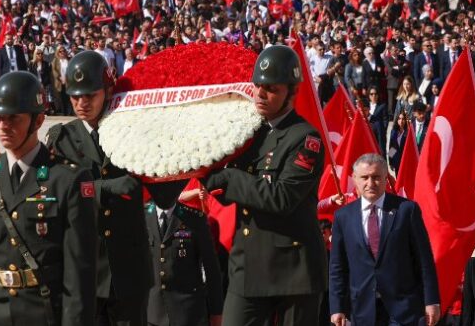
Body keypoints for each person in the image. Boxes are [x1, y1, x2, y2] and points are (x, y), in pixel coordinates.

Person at [0, 71, 97, 325]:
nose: (3, 126)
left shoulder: (67, 180)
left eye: (14, 118)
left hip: (43, 313)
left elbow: (80, 275)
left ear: (38, 120)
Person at [202, 45, 327, 326]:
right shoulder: (247, 132)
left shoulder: (306, 138)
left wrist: (229, 178)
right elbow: (221, 188)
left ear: (291, 92)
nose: (260, 94)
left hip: (293, 271)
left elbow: (281, 198)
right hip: (247, 264)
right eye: (258, 86)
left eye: (271, 88)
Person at [45, 51, 151, 326]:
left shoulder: (133, 131)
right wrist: (105, 188)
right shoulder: (62, 138)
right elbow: (55, 195)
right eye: (75, 96)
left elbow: (146, 183)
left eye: (90, 95)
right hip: (85, 271)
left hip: (128, 268)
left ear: (108, 90)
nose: (81, 103)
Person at [329, 153, 440, 326]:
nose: (370, 183)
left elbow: (424, 260)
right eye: (365, 177)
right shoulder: (343, 216)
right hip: (362, 309)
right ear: (355, 179)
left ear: (386, 178)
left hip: (403, 308)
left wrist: (431, 301)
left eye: (376, 177)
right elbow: (337, 266)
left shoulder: (406, 210)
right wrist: (337, 307)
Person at [144, 182, 224, 326]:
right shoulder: (141, 217)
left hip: (188, 312)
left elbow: (212, 269)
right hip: (151, 312)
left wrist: (216, 312)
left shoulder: (195, 219)